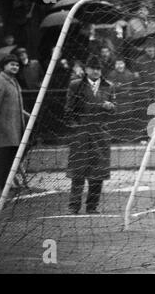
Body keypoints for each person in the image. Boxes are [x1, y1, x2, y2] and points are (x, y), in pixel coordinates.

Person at [64, 55, 116, 214]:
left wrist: (111, 107)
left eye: (98, 68)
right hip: (82, 133)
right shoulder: (75, 85)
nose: (96, 71)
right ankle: (73, 206)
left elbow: (115, 110)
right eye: (93, 68)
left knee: (98, 172)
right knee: (78, 171)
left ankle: (92, 207)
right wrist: (76, 128)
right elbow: (68, 110)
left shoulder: (109, 86)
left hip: (100, 133)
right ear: (86, 70)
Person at [0, 54, 28, 191]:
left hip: (13, 127)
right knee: (1, 158)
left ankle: (4, 183)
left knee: (10, 157)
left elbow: (16, 105)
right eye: (12, 64)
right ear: (4, 66)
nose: (15, 67)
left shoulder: (13, 81)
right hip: (1, 128)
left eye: (17, 65)